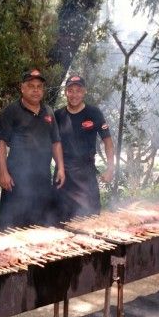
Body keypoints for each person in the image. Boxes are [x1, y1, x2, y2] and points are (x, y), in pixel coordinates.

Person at [0, 69, 65, 229]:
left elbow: (56, 142)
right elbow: (1, 144)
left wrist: (60, 167)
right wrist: (4, 173)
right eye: (31, 86)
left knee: (39, 230)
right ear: (22, 88)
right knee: (11, 229)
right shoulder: (11, 111)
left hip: (42, 181)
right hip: (16, 183)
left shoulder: (48, 112)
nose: (36, 90)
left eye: (39, 86)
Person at [53, 74, 114, 221]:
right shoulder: (58, 115)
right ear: (65, 92)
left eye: (78, 90)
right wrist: (59, 168)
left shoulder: (94, 113)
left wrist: (110, 168)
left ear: (84, 91)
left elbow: (108, 142)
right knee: (59, 220)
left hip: (86, 173)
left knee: (91, 218)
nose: (74, 94)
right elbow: (54, 145)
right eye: (70, 90)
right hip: (63, 173)